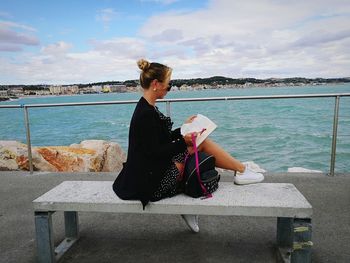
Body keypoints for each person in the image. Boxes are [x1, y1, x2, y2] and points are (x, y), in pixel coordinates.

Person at [113, 59, 264, 233]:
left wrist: (183, 130)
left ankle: (240, 171)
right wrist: (183, 142)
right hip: (151, 184)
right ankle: (241, 171)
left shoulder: (146, 107)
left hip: (148, 172)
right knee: (199, 145)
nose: (168, 89)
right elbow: (154, 152)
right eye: (168, 86)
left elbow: (159, 140)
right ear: (155, 84)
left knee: (197, 144)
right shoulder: (146, 113)